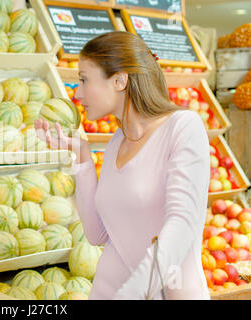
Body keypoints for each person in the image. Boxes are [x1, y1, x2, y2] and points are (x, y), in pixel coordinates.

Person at [35, 31, 211, 300]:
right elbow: (97, 234)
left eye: (84, 80)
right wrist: (81, 155)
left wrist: (134, 291)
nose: (78, 93)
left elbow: (182, 224)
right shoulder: (117, 141)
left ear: (119, 80)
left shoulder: (183, 127)